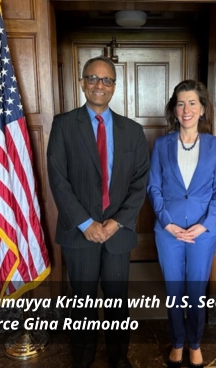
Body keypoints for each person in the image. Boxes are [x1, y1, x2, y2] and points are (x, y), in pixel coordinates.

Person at [47, 56, 150, 368]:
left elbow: (140, 182)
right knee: (82, 301)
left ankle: (119, 358)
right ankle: (83, 358)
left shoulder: (132, 130)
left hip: (117, 232)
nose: (99, 85)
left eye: (106, 80)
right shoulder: (64, 124)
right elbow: (58, 178)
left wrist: (116, 222)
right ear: (82, 83)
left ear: (115, 86)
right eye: (92, 78)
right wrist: (84, 222)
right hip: (80, 234)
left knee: (118, 301)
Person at [147, 80, 216, 368]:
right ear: (174, 109)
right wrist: (167, 223)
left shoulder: (215, 146)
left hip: (202, 234)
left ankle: (195, 344)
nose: (186, 109)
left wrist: (206, 224)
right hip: (168, 233)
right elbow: (154, 188)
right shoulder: (161, 144)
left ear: (203, 109)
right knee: (173, 292)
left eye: (193, 103)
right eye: (181, 103)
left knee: (195, 291)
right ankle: (177, 342)